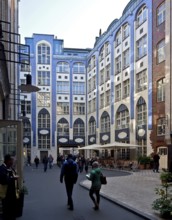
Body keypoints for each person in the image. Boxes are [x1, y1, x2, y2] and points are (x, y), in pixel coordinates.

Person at [0, 154, 19, 220]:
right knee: (6, 212)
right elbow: (3, 180)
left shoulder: (10, 168)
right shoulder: (2, 168)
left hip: (12, 195)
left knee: (11, 211)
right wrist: (13, 178)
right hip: (6, 195)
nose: (13, 161)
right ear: (8, 161)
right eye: (12, 160)